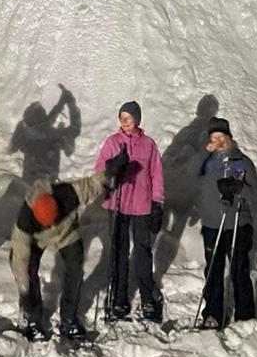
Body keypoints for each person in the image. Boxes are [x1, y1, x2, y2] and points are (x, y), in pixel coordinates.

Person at [10, 147, 128, 341]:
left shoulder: (65, 194)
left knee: (75, 267)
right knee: (28, 270)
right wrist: (25, 292)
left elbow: (91, 185)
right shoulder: (26, 218)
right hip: (36, 241)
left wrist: (111, 172)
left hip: (66, 234)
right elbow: (19, 258)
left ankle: (69, 319)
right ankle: (33, 320)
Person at [95, 100, 165, 322]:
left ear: (137, 119)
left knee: (143, 252)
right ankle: (119, 298)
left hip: (142, 206)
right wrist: (114, 167)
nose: (124, 121)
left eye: (128, 117)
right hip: (117, 205)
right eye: (121, 117)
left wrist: (158, 202)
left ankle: (147, 298)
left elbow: (157, 175)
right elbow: (99, 170)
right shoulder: (113, 142)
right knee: (119, 252)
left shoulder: (149, 145)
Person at [198, 116, 257, 329]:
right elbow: (192, 186)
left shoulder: (242, 162)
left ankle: (245, 316)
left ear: (229, 137)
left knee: (239, 271)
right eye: (214, 137)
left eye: (221, 136)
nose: (218, 141)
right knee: (213, 272)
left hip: (237, 225)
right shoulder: (205, 163)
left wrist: (240, 189)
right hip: (211, 225)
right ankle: (213, 314)